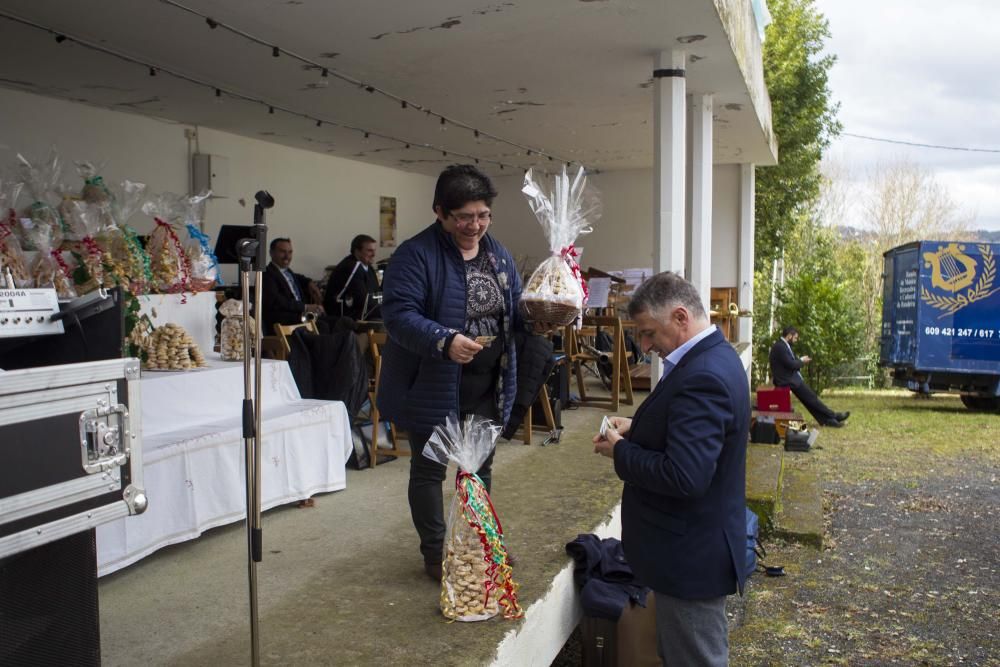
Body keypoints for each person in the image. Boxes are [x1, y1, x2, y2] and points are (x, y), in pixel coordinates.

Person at [593, 271, 750, 666]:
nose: (645, 347)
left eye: (648, 333)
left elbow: (686, 475)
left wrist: (622, 452)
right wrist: (640, 428)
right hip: (686, 552)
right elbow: (688, 434)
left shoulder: (704, 375)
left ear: (681, 318)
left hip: (690, 561)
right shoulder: (710, 356)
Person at [377, 164, 525, 582]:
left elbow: (514, 306)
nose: (474, 226)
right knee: (429, 469)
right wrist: (443, 340)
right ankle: (434, 553)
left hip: (486, 383)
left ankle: (477, 542)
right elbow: (398, 315)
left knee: (479, 468)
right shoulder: (415, 254)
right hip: (433, 383)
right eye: (463, 217)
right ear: (440, 212)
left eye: (482, 216)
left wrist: (544, 313)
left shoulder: (496, 252)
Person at [769, 326, 849, 428]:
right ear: (789, 336)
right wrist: (802, 361)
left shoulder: (782, 345)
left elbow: (789, 362)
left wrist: (800, 360)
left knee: (809, 400)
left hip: (789, 378)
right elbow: (791, 365)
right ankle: (834, 416)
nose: (796, 341)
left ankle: (828, 420)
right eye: (795, 338)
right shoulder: (780, 347)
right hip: (787, 380)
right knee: (812, 399)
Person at [260, 237, 324, 335]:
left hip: (301, 316)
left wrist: (309, 282)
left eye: (290, 252)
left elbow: (299, 277)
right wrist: (306, 307)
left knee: (341, 322)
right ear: (271, 253)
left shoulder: (287, 272)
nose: (287, 256)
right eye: (283, 252)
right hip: (286, 321)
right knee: (325, 326)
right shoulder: (267, 274)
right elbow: (277, 301)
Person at [323, 234, 380, 321]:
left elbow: (376, 293)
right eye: (369, 250)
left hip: (362, 312)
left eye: (374, 250)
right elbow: (363, 300)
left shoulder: (369, 267)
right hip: (344, 317)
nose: (374, 254)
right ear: (357, 251)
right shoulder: (352, 267)